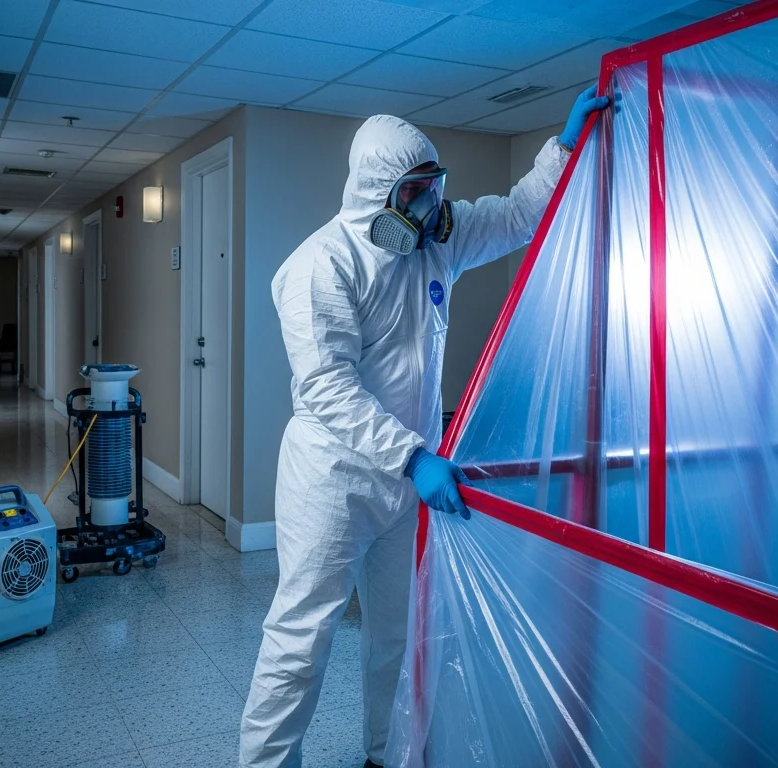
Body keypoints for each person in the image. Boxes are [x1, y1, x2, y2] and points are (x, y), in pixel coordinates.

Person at [240, 87, 611, 768]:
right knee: (301, 638)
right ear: (378, 194)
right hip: (335, 481)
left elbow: (518, 215)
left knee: (399, 635)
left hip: (408, 479)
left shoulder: (435, 244)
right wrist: (414, 457)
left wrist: (562, 146)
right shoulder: (321, 265)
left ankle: (387, 755)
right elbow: (326, 387)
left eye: (434, 188)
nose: (431, 207)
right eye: (416, 193)